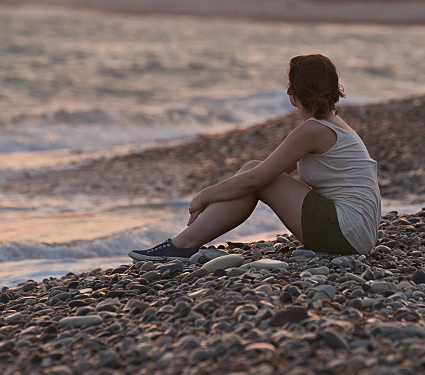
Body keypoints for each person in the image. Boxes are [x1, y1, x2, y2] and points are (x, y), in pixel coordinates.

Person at [128, 54, 382, 262]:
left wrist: (203, 196)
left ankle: (182, 245)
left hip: (347, 233)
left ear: (293, 94)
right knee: (256, 172)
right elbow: (268, 172)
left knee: (257, 173)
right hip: (355, 233)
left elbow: (258, 178)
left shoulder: (314, 130)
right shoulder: (331, 124)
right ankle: (183, 244)